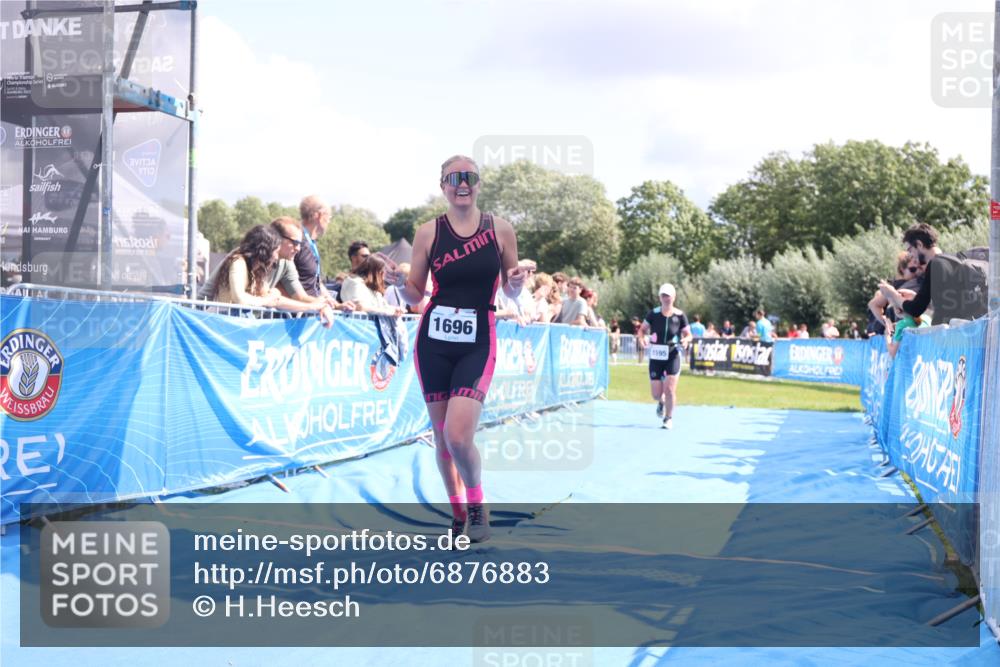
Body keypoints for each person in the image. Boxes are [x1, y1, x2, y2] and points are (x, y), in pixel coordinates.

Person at [391, 155, 527, 543]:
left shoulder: (500, 230)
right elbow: (414, 291)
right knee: (441, 437)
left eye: (468, 177)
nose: (461, 183)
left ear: (479, 184)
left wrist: (516, 283)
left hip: (477, 340)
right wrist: (397, 283)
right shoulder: (428, 233)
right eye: (454, 178)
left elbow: (510, 289)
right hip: (433, 341)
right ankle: (457, 513)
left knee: (459, 435)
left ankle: (478, 504)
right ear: (443, 187)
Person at [205, 224, 337, 326]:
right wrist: (266, 300)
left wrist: (315, 306)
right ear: (264, 251)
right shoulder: (238, 262)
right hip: (222, 321)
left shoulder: (258, 271)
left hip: (236, 323)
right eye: (275, 251)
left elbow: (276, 300)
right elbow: (239, 298)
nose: (275, 257)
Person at [641, 283, 692, 429]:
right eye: (663, 295)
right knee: (656, 394)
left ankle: (668, 418)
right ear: (659, 297)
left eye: (668, 295)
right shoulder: (653, 314)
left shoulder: (680, 316)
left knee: (670, 390)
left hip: (673, 355)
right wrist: (642, 338)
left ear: (674, 297)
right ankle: (661, 401)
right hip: (656, 356)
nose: (666, 298)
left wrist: (686, 340)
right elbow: (642, 330)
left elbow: (689, 334)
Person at [294, 195, 336, 302]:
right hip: (297, 314)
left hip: (312, 311)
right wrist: (311, 302)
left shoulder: (310, 242)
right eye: (329, 217)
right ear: (320, 215)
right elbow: (285, 280)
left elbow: (315, 281)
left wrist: (335, 304)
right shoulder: (296, 241)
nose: (329, 222)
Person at [339, 255, 405, 316]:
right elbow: (360, 307)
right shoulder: (355, 282)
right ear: (377, 273)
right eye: (382, 273)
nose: (383, 277)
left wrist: (395, 309)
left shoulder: (371, 287)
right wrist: (391, 312)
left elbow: (382, 306)